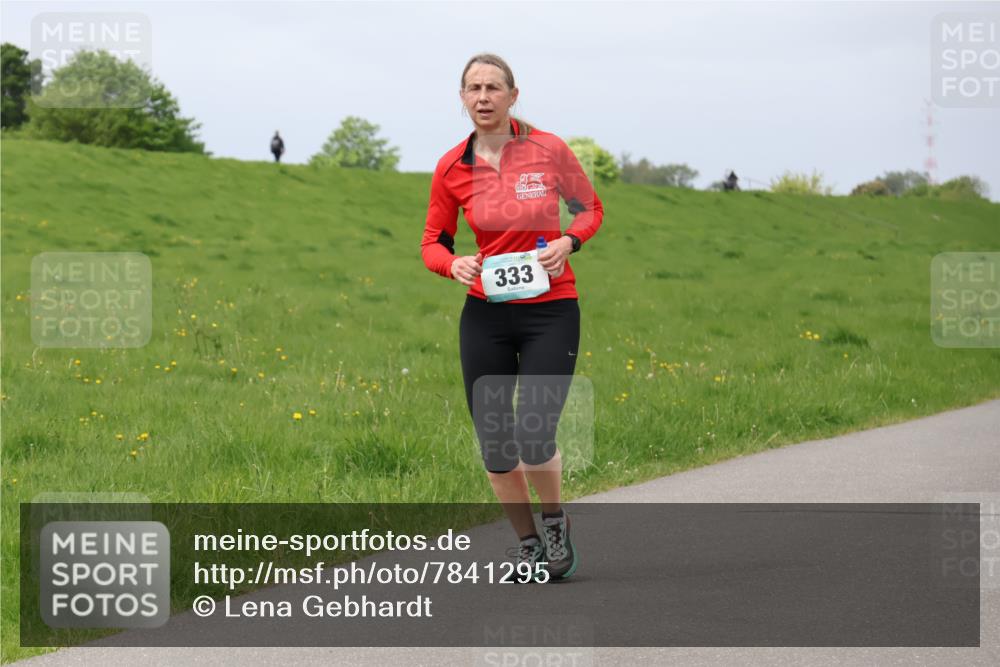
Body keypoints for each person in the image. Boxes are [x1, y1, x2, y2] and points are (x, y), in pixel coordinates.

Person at [421, 53, 604, 582]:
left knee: (534, 433)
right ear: (462, 98)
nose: (483, 97)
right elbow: (432, 242)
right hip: (486, 314)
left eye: (493, 87)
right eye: (474, 88)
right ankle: (527, 544)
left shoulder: (548, 149)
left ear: (512, 95)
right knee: (497, 443)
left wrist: (569, 242)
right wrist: (452, 264)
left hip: (551, 310)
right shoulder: (451, 167)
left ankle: (554, 522)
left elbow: (590, 209)